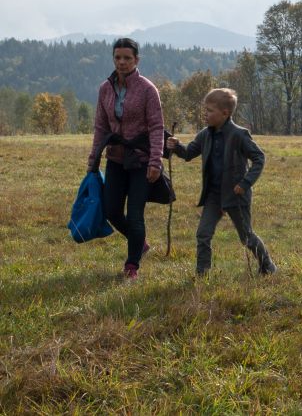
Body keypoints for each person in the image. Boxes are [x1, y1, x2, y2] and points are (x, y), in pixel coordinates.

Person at [166, 88, 277, 276]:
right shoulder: (204, 135)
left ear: (225, 113)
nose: (205, 114)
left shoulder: (239, 135)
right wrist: (176, 146)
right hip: (213, 195)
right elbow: (188, 153)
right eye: (205, 110)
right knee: (203, 234)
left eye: (210, 111)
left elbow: (259, 158)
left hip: (236, 195)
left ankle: (267, 267)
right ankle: (202, 275)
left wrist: (245, 183)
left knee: (246, 237)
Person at [87, 38, 164, 280]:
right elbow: (100, 126)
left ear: (136, 60)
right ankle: (139, 242)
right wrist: (93, 159)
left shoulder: (148, 89)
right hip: (115, 159)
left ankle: (132, 266)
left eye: (127, 58)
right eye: (117, 57)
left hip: (140, 161)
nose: (121, 62)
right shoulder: (105, 89)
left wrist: (155, 161)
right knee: (110, 210)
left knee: (135, 214)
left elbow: (156, 127)